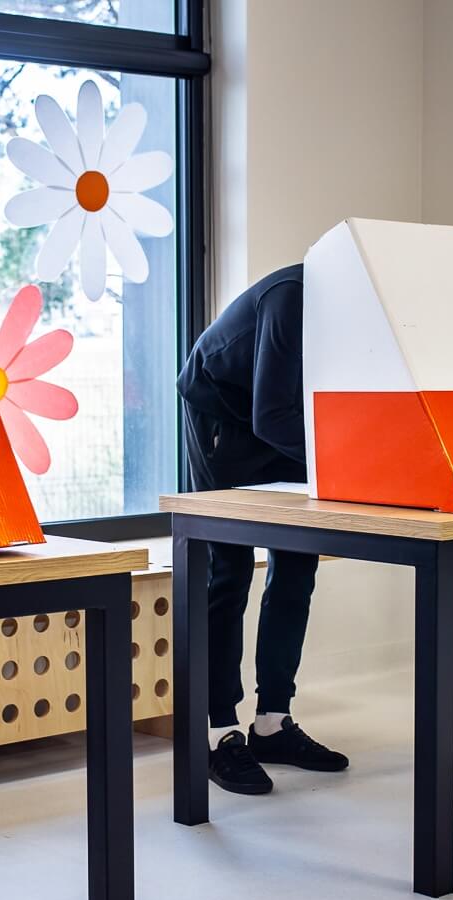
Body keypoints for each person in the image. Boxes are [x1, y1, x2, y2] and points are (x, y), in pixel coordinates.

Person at [175, 264, 349, 795]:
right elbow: (270, 415)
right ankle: (217, 733)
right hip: (223, 415)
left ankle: (273, 724)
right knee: (229, 573)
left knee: (297, 565)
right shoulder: (291, 295)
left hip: (282, 419)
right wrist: (342, 463)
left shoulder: (366, 312)